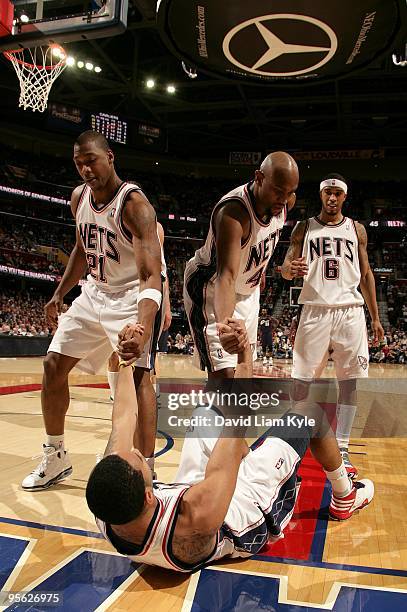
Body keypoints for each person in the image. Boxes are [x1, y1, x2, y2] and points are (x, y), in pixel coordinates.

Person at [86, 320, 374, 573]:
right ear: (148, 497)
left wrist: (126, 358)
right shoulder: (198, 516)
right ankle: (344, 496)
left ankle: (243, 455)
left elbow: (123, 418)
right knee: (310, 412)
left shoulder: (106, 507)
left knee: (204, 412)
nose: (136, 452)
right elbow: (238, 419)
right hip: (245, 508)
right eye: (138, 458)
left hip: (192, 490)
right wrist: (244, 353)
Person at [22, 130, 163, 490]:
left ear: (110, 157)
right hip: (94, 291)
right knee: (54, 364)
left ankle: (146, 470)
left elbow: (151, 274)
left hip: (132, 292)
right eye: (79, 163)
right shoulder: (77, 198)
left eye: (92, 161)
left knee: (139, 377)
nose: (85, 169)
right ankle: (55, 456)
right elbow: (84, 250)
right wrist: (59, 293)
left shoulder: (135, 205)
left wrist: (143, 326)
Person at [281, 173, 384, 478]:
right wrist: (289, 270)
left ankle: (342, 447)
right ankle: (295, 446)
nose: (332, 197)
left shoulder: (357, 229)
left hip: (350, 310)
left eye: (337, 193)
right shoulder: (303, 227)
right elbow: (287, 268)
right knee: (300, 382)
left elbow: (365, 275)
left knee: (349, 382)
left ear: (344, 197)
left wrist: (375, 316)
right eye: (327, 192)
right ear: (321, 194)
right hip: (313, 309)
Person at [183, 152, 298, 382]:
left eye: (289, 192)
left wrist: (259, 268)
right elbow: (225, 275)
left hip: (248, 291)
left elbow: (264, 237)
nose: (283, 199)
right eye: (278, 190)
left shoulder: (285, 202)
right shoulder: (234, 214)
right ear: (259, 177)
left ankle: (225, 416)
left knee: (243, 374)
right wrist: (225, 327)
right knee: (223, 377)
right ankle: (207, 416)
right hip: (212, 288)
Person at [107, 221, 171, 404]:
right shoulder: (114, 228)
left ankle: (153, 392)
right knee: (115, 352)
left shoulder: (155, 230)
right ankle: (114, 394)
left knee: (148, 353)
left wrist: (166, 306)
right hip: (121, 294)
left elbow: (162, 273)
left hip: (147, 297)